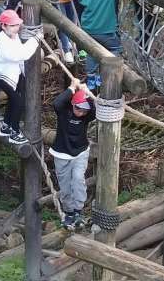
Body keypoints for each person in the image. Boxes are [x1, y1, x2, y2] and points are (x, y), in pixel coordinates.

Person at [78, 0, 137, 90]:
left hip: (89, 30)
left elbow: (81, 11)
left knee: (92, 52)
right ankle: (107, 76)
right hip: (106, 30)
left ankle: (91, 78)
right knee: (115, 49)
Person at [0, 9, 41, 144]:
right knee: (18, 101)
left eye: (17, 24)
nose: (16, 28)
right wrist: (35, 39)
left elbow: (20, 52)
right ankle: (14, 132)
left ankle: (6, 126)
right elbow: (20, 54)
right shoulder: (3, 41)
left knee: (14, 100)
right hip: (3, 76)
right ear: (3, 26)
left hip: (13, 74)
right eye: (12, 25)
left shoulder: (13, 35)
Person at [50, 78, 95, 230]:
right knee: (65, 186)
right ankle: (68, 212)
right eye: (78, 109)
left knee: (78, 179)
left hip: (80, 152)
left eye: (84, 110)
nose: (81, 113)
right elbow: (57, 103)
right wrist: (72, 88)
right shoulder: (64, 112)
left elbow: (95, 109)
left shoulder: (86, 116)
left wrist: (87, 92)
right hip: (61, 154)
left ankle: (78, 211)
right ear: (72, 104)